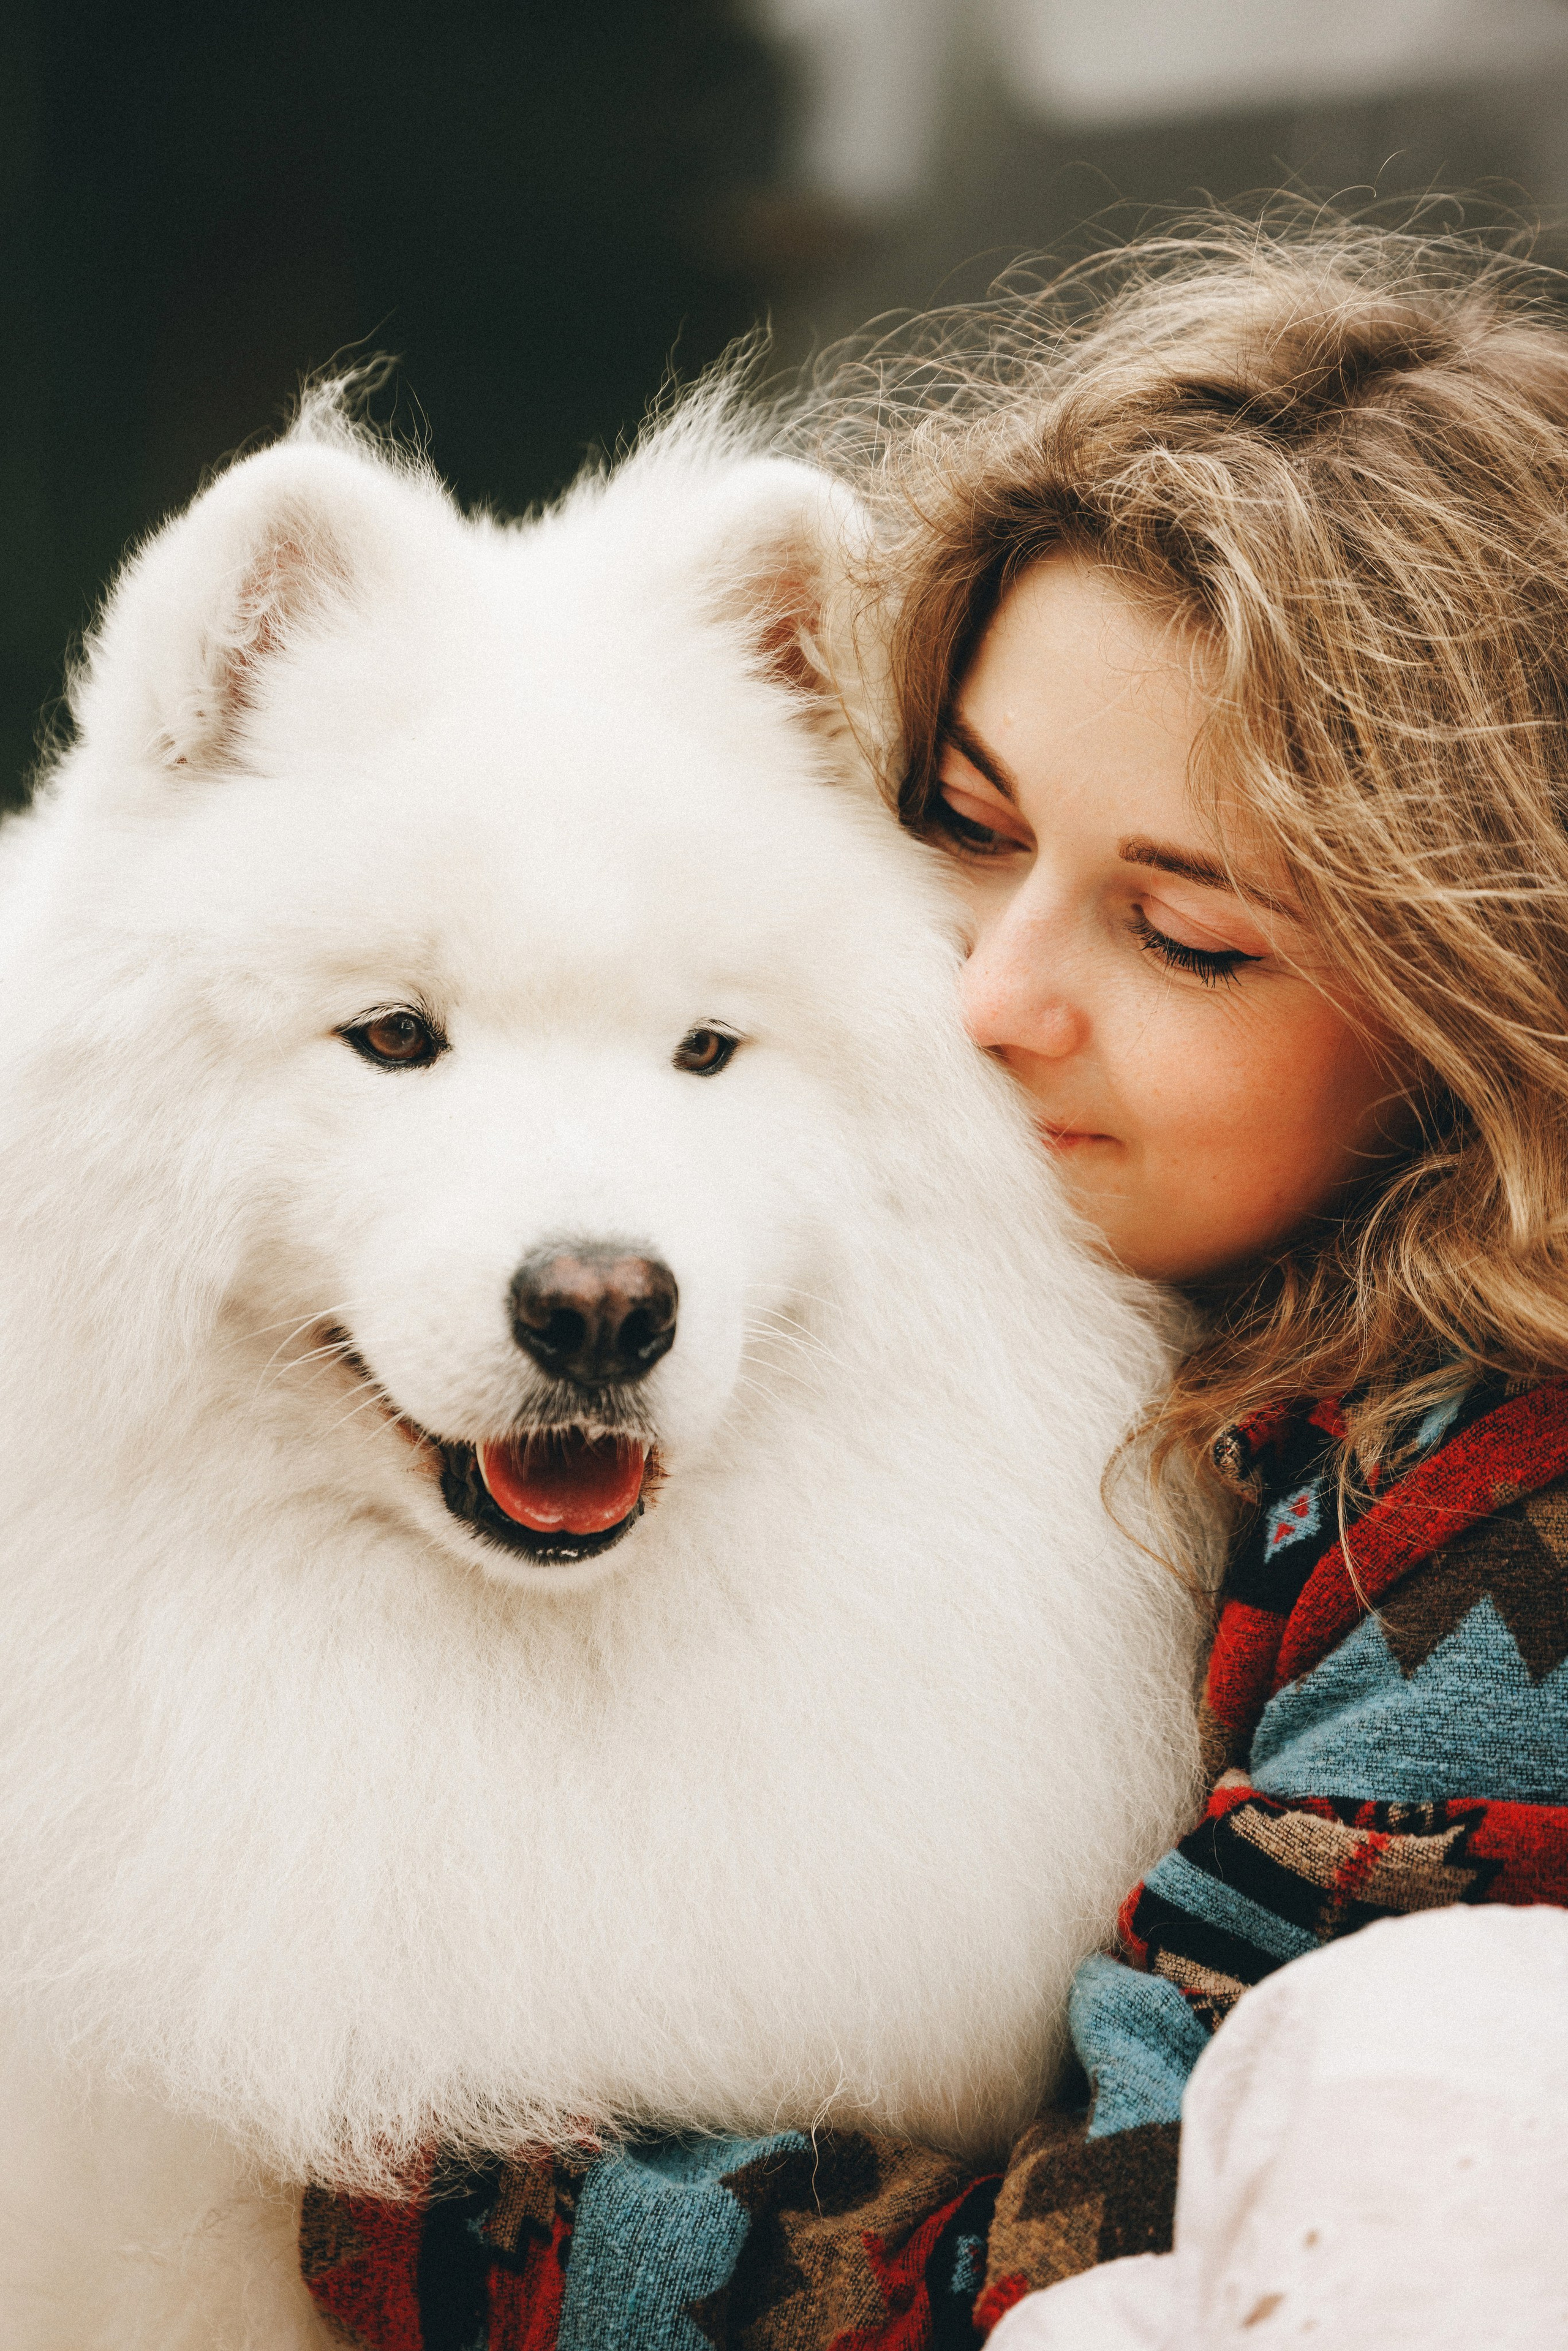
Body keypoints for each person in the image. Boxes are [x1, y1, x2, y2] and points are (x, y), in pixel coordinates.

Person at [301, 221, 1568, 2348]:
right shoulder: (1119, 1311)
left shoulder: (1499, 1560)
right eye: (963, 826)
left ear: (1486, 1003)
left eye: (1188, 936)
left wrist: (410, 2189)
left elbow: (1122, 2275)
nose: (987, 995)